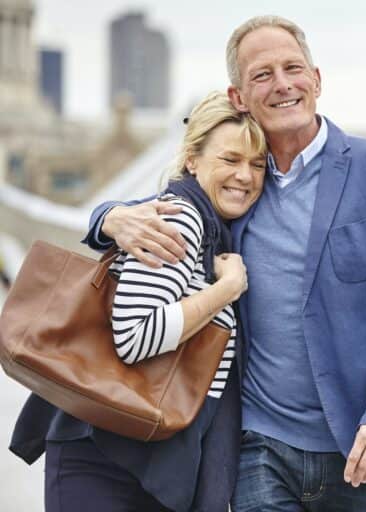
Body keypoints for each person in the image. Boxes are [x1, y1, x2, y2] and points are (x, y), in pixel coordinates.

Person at [85, 15, 366, 511]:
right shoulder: (237, 185)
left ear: (316, 80)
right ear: (238, 97)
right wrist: (109, 218)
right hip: (259, 448)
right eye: (262, 75)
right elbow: (169, 204)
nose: (282, 85)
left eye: (293, 68)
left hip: (364, 448)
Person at [10, 91, 267, 512]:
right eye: (230, 159)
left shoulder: (215, 228)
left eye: (257, 165)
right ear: (191, 159)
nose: (245, 175)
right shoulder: (182, 219)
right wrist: (226, 289)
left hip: (142, 455)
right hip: (107, 461)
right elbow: (136, 336)